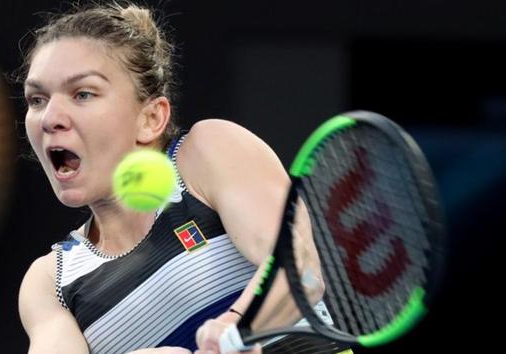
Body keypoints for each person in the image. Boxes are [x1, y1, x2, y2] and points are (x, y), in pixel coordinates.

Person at [17, 2, 328, 353]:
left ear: (151, 118)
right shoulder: (50, 282)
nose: (49, 117)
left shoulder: (207, 153)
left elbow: (299, 268)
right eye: (37, 99)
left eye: (83, 93)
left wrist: (238, 326)